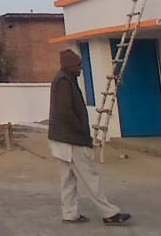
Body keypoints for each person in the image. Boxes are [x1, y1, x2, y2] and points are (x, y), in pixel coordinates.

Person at [48, 48, 131, 226]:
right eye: (78, 65)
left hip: (62, 138)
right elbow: (66, 111)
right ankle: (109, 213)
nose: (80, 68)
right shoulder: (64, 81)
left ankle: (69, 214)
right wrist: (81, 131)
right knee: (89, 177)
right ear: (70, 66)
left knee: (68, 178)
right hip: (71, 140)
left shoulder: (65, 79)